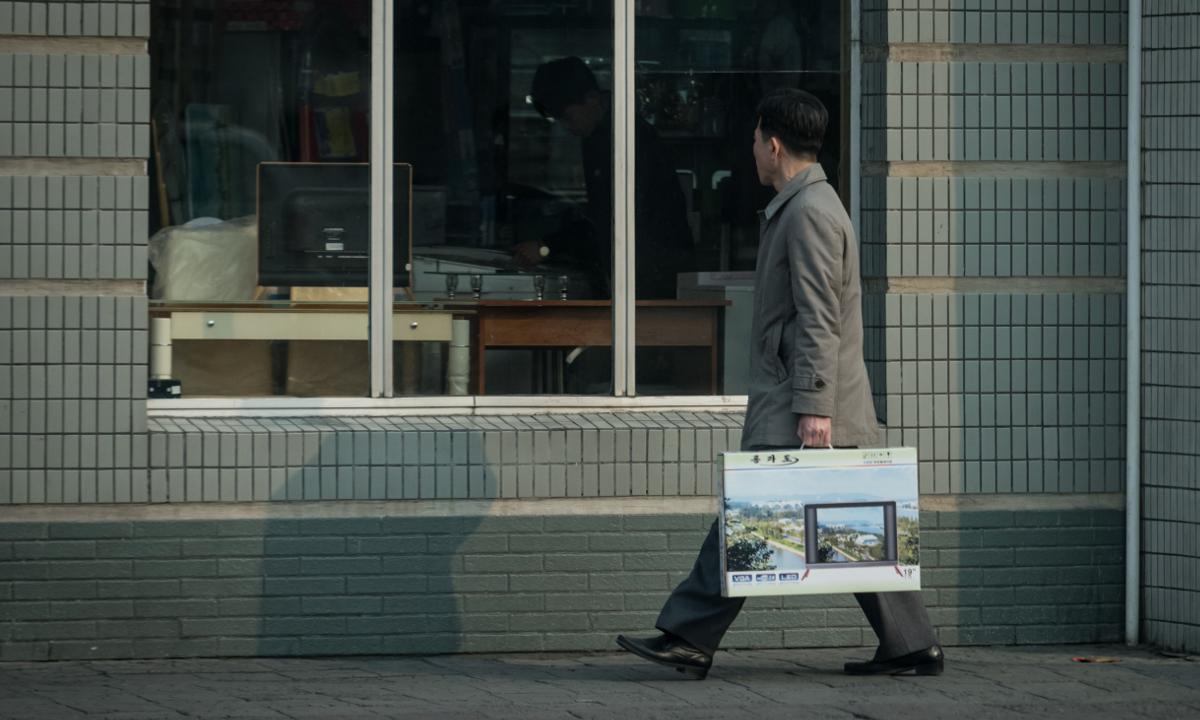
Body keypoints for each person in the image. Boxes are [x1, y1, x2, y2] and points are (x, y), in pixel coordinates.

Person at [616, 89, 944, 679]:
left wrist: (813, 406)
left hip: (807, 406)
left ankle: (689, 636)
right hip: (814, 400)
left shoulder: (810, 211)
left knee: (748, 518)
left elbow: (820, 315)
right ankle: (911, 643)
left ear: (772, 144)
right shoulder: (806, 203)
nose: (751, 154)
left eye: (753, 142)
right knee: (855, 530)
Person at [523, 56, 693, 299]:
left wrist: (546, 246)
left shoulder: (626, 138)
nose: (567, 127)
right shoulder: (599, 134)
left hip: (653, 274)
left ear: (592, 99)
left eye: (568, 118)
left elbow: (610, 217)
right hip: (638, 269)